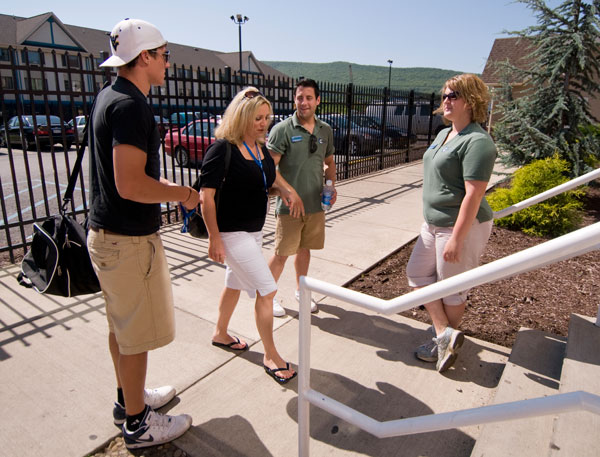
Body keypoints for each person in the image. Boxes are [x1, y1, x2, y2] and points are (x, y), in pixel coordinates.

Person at [87, 18, 198, 449]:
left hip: (110, 235)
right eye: (164, 55)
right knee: (135, 335)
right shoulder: (131, 105)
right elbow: (130, 184)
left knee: (122, 329)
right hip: (128, 241)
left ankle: (127, 400)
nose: (168, 63)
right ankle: (138, 423)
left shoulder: (108, 96)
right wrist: (184, 193)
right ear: (146, 57)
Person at [201, 87, 298, 384]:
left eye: (267, 117)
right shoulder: (223, 149)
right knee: (266, 290)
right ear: (241, 116)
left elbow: (262, 184)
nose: (263, 123)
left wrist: (284, 189)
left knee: (234, 284)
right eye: (257, 117)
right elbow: (206, 197)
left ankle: (220, 333)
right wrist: (214, 238)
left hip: (254, 231)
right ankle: (271, 355)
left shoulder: (260, 150)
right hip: (232, 234)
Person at [408, 73, 497, 373]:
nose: (446, 100)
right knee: (417, 275)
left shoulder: (478, 142)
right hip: (433, 224)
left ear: (471, 101)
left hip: (460, 226)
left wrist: (458, 238)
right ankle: (444, 332)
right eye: (444, 95)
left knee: (452, 289)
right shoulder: (443, 134)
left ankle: (443, 344)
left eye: (453, 95)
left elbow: (474, 194)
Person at [267, 79, 337, 317]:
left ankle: (301, 291)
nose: (304, 102)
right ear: (294, 99)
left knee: (305, 250)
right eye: (300, 97)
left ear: (317, 101)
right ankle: (268, 297)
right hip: (289, 208)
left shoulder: (325, 130)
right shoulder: (282, 130)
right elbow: (270, 170)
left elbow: (328, 162)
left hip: (315, 205)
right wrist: (288, 192)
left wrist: (330, 186)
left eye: (309, 98)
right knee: (281, 254)